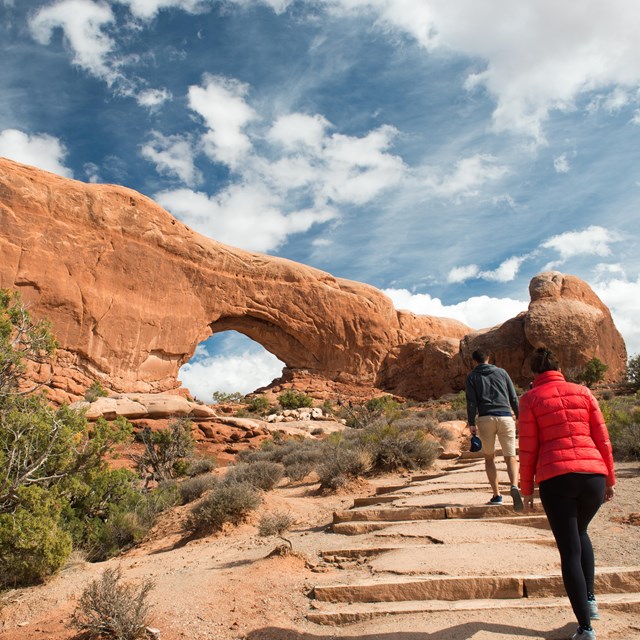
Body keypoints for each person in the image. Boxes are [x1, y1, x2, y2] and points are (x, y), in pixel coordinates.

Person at [519, 347, 616, 640]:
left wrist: (526, 490)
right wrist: (609, 478)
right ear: (560, 368)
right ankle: (590, 600)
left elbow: (528, 447)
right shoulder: (583, 392)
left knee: (569, 550)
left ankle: (586, 627)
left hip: (557, 478)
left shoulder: (531, 399)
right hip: (592, 476)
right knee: (581, 532)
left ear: (534, 373)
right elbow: (602, 436)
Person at [465, 349, 523, 511]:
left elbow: (471, 402)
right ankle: (514, 486)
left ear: (474, 361)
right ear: (488, 358)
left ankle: (497, 496)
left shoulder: (472, 377)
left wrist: (471, 423)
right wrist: (519, 416)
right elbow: (513, 397)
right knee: (510, 456)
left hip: (485, 418)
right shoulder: (502, 372)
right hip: (505, 417)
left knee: (489, 458)